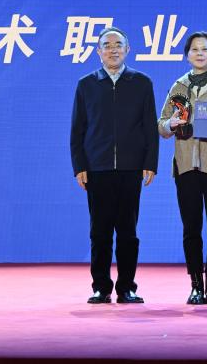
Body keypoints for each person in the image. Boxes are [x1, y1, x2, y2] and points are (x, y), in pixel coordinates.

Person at [70, 27, 159, 304]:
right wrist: (79, 166)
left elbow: (149, 127)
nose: (113, 50)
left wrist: (150, 163)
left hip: (131, 168)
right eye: (107, 45)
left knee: (128, 232)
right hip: (97, 168)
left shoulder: (141, 82)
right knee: (100, 232)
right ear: (98, 52)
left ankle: (127, 287)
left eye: (118, 45)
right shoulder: (87, 84)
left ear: (127, 49)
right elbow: (77, 130)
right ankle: (101, 287)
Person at [158, 31, 207, 305]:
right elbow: (161, 125)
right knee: (191, 228)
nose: (200, 53)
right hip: (185, 166)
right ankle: (195, 284)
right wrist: (170, 124)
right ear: (187, 55)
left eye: (205, 49)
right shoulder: (178, 86)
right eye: (194, 49)